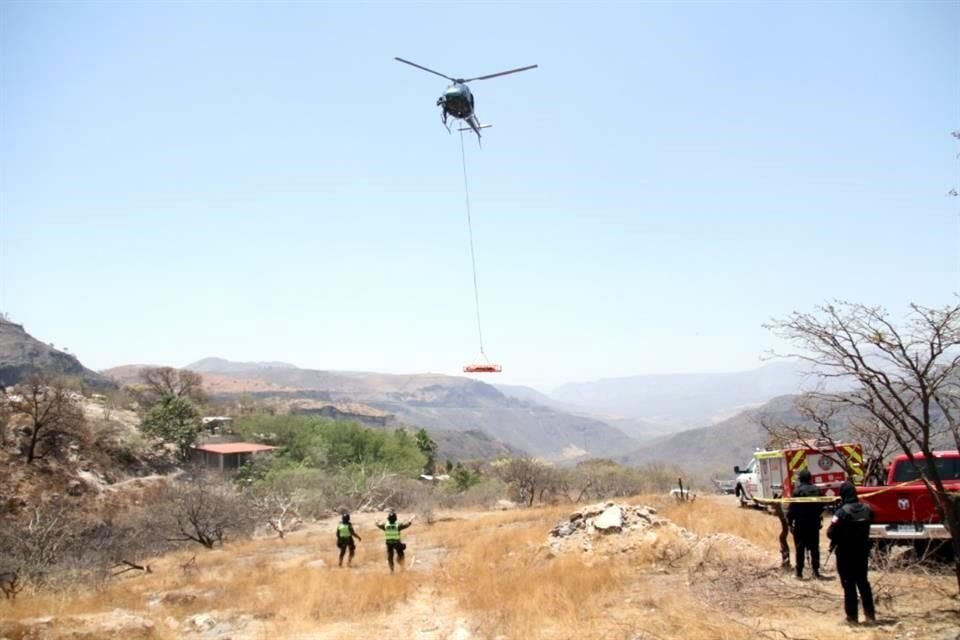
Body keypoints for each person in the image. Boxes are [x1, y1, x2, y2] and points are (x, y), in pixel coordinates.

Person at [827, 481, 876, 625]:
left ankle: (852, 617)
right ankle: (870, 615)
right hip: (862, 551)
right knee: (863, 582)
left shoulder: (842, 512)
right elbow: (871, 520)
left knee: (849, 585)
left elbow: (831, 532)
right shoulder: (867, 509)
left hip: (845, 553)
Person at [787, 469, 824, 579]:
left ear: (800, 479)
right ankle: (816, 571)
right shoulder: (816, 490)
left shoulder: (797, 491)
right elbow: (821, 507)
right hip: (813, 524)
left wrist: (790, 523)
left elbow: (791, 509)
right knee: (814, 548)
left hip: (800, 525)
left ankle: (799, 572)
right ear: (810, 478)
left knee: (800, 549)